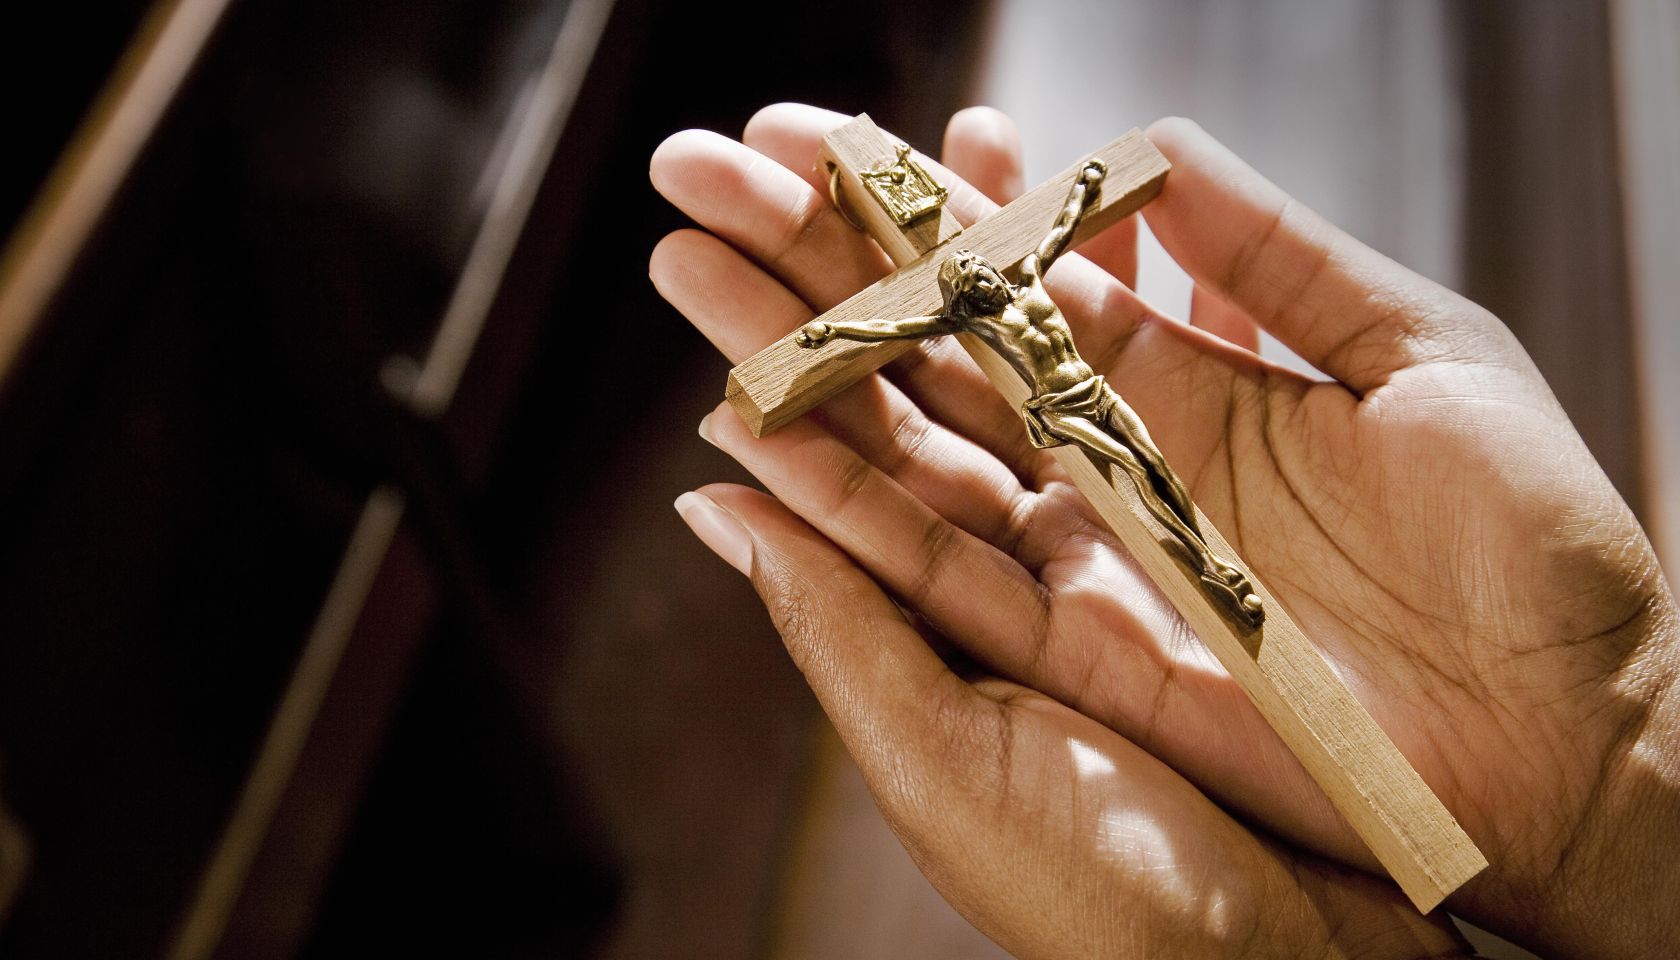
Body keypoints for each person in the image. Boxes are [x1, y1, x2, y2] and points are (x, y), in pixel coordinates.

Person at [648, 103, 1679, 958]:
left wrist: (1617, 768)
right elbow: (871, 329)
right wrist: (818, 343)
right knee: (1173, 534)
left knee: (1183, 526)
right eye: (946, 260)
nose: (967, 266)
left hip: (1105, 413)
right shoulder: (937, 296)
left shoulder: (1007, 253)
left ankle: (1238, 601)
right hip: (1065, 422)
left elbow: (1068, 211)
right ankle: (1228, 595)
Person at [793, 157, 1263, 628]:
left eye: (980, 267)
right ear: (966, 294)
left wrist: (1084, 186)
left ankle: (1204, 548)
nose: (982, 275)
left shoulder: (1033, 278)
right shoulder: (974, 321)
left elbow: (1060, 229)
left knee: (1157, 465)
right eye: (971, 278)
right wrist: (835, 331)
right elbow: (894, 328)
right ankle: (1208, 567)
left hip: (1095, 390)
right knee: (1132, 471)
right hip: (1059, 410)